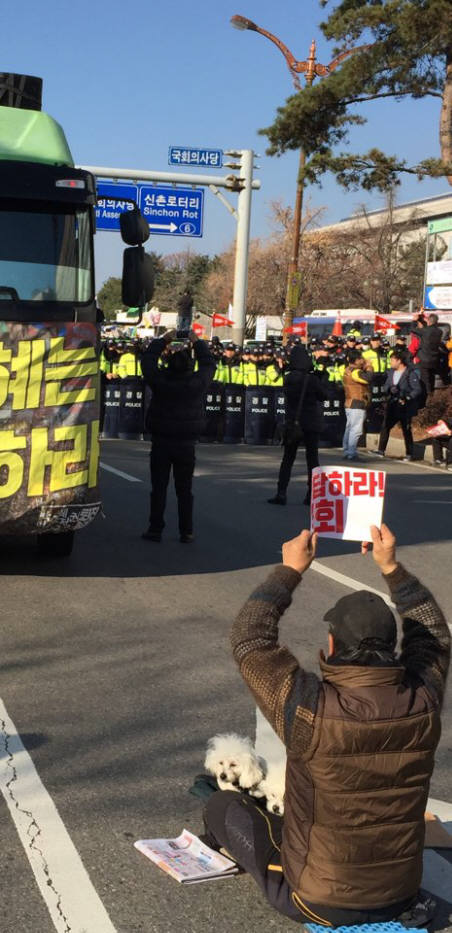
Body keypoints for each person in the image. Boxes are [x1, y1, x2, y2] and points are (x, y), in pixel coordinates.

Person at [204, 524, 449, 928]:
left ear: (332, 645)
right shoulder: (424, 698)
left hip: (315, 898)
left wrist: (290, 570)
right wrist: (392, 568)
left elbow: (249, 638)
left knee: (223, 806)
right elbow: (434, 635)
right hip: (399, 895)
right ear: (393, 647)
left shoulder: (309, 708)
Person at [140, 329, 214, 543]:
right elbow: (209, 364)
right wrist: (197, 342)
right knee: (185, 490)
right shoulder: (196, 384)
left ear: (169, 364)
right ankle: (186, 531)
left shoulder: (160, 381)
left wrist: (163, 339)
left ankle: (155, 528)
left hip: (161, 441)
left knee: (159, 488)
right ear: (190, 366)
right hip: (186, 444)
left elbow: (148, 362)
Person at [267, 343, 328, 506]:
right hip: (311, 424)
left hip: (293, 423)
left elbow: (288, 394)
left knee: (288, 459)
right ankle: (311, 495)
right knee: (312, 460)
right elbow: (323, 396)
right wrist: (320, 377)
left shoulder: (289, 378)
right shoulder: (313, 379)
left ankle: (281, 493)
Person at [374, 348, 422, 461]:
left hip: (405, 406)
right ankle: (381, 450)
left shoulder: (410, 373)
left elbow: (417, 389)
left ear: (399, 361)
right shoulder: (391, 373)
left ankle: (409, 454)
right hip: (392, 404)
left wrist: (407, 397)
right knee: (385, 426)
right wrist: (389, 389)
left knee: (406, 429)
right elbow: (385, 386)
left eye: (392, 360)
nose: (390, 363)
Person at [342, 349, 372, 460]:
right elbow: (368, 379)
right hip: (357, 402)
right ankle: (352, 452)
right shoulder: (356, 372)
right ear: (357, 360)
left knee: (349, 428)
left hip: (349, 403)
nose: (363, 360)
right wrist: (369, 367)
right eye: (361, 359)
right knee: (356, 429)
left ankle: (346, 451)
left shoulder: (347, 369)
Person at [416, 312, 443, 397]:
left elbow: (413, 329)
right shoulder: (439, 331)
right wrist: (421, 318)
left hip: (424, 360)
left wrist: (414, 321)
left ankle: (428, 396)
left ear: (429, 321)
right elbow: (428, 327)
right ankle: (432, 394)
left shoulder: (425, 331)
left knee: (425, 380)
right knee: (431, 378)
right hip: (434, 359)